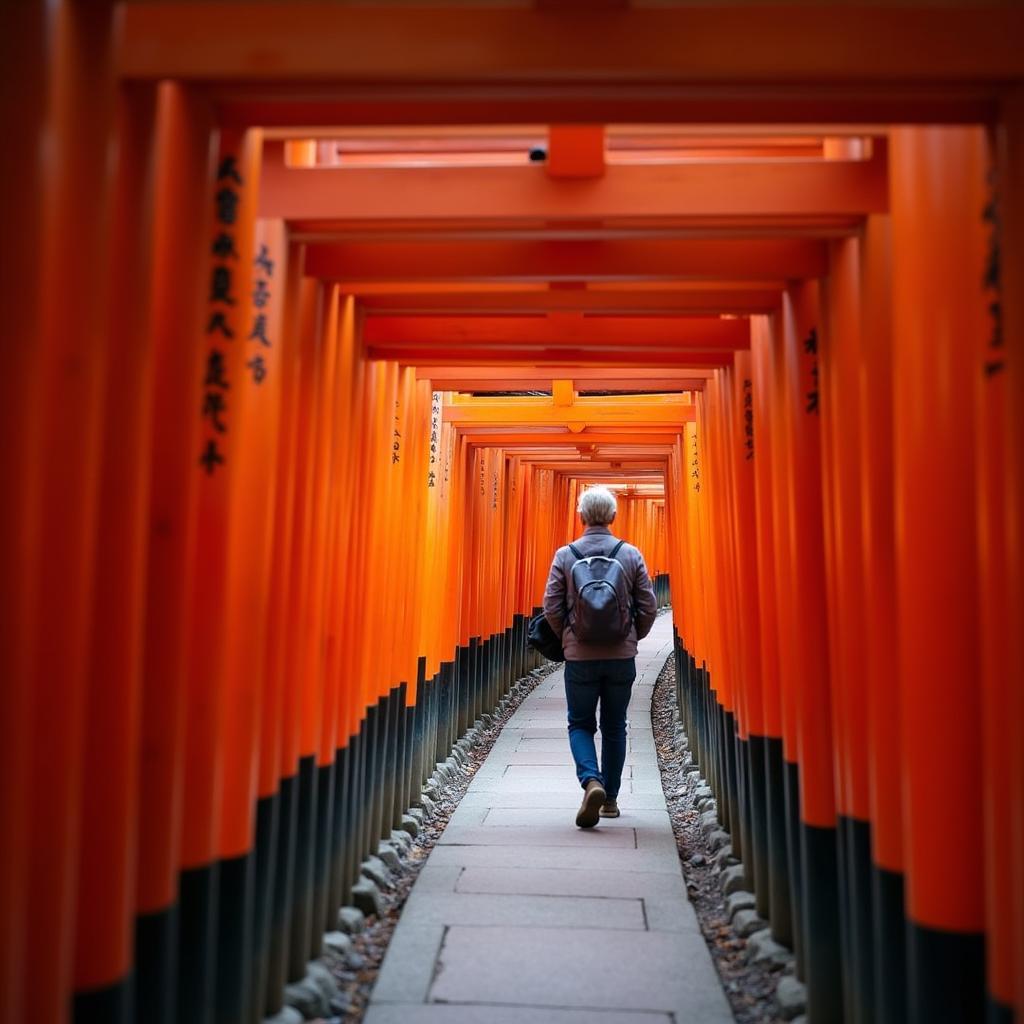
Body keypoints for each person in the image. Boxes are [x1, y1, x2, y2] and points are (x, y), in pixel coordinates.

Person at [543, 486, 658, 828]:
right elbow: (648, 605)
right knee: (614, 725)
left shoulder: (566, 555)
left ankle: (590, 779)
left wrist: (569, 635)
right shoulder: (630, 554)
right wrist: (632, 636)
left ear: (581, 516)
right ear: (612, 516)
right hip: (621, 655)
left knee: (580, 723)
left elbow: (551, 605)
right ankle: (609, 800)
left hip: (579, 657)